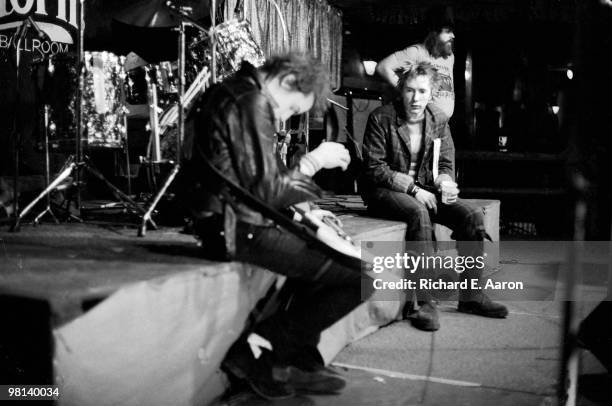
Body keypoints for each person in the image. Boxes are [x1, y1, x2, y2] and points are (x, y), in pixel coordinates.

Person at [179, 53, 374, 400]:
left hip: (229, 219)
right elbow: (266, 190)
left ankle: (297, 358)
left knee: (324, 257)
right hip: (236, 226)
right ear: (286, 81)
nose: (283, 119)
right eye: (289, 110)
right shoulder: (251, 101)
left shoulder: (236, 92)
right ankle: (260, 352)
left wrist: (302, 203)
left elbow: (254, 182)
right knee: (361, 277)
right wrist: (313, 162)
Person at [360, 62, 508, 332]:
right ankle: (425, 302)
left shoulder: (438, 119)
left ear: (431, 93)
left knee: (471, 215)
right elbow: (374, 168)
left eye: (422, 91)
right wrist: (414, 190)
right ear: (400, 90)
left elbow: (445, 165)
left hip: (426, 188)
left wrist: (446, 182)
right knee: (418, 212)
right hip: (385, 190)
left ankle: (471, 296)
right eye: (409, 90)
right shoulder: (381, 117)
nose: (415, 98)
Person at [376, 5, 456, 118]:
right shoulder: (417, 52)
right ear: (435, 33)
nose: (453, 35)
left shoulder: (449, 57)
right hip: (422, 122)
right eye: (448, 32)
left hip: (442, 125)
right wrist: (406, 90)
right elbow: (383, 67)